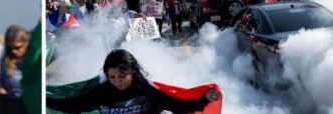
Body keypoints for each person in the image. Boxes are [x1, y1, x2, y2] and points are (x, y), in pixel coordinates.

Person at [46, 49, 219, 113]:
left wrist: (205, 99)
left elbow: (178, 106)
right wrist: (45, 100)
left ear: (133, 72)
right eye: (112, 77)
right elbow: (74, 105)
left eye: (122, 77)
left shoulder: (148, 91)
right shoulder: (102, 91)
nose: (117, 82)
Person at [0, 25, 30, 98]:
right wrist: (1, 89)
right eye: (10, 48)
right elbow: (1, 82)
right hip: (12, 103)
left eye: (17, 47)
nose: (14, 51)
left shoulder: (33, 60)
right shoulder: (5, 60)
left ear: (26, 43)